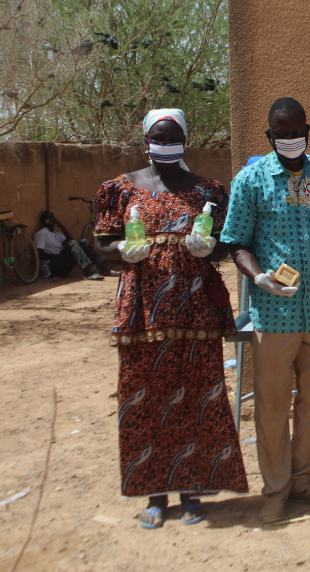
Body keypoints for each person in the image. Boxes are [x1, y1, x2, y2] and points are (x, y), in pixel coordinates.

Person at [93, 108, 247, 529]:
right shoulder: (121, 189)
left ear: (185, 139)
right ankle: (155, 494)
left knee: (199, 394)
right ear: (145, 139)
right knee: (144, 396)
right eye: (158, 138)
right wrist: (123, 251)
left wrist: (208, 246)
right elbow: (102, 242)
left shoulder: (209, 191)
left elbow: (222, 247)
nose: (165, 144)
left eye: (173, 136)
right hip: (142, 310)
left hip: (195, 307)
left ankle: (194, 489)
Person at [220, 97, 310, 525]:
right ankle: (275, 490)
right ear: (269, 136)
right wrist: (258, 277)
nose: (291, 139)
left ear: (307, 131)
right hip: (273, 314)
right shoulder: (251, 180)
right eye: (282, 133)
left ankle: (303, 483)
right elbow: (235, 242)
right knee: (273, 404)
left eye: (297, 132)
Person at [33, 210, 113, 280]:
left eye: (52, 217)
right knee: (73, 243)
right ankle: (88, 273)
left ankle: (103, 268)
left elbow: (71, 241)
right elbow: (40, 254)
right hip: (52, 267)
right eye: (48, 218)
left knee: (84, 242)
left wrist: (62, 227)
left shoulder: (58, 234)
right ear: (44, 221)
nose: (51, 220)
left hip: (63, 266)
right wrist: (56, 256)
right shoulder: (42, 233)